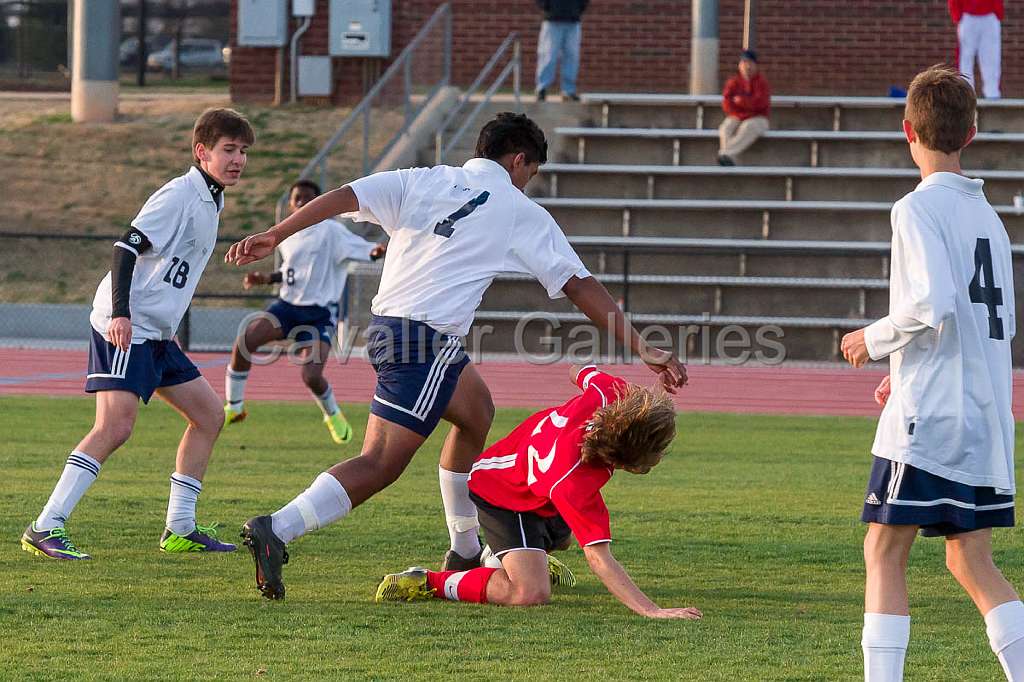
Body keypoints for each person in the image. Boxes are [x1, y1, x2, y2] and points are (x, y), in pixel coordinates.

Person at [225, 112, 688, 600]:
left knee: (476, 412)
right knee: (380, 462)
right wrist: (642, 346)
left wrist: (276, 233)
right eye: (531, 174)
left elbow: (346, 195)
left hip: (404, 333)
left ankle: (464, 548)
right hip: (419, 340)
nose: (529, 184)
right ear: (518, 161)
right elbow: (578, 284)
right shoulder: (516, 207)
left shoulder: (423, 179)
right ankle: (276, 529)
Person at [839, 66, 1022, 681]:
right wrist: (904, 366)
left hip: (931, 416)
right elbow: (991, 324)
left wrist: (874, 340)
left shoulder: (915, 208)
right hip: (986, 413)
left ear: (907, 130)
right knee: (971, 559)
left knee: (884, 548)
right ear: (970, 132)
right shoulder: (990, 218)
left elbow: (930, 306)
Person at [21, 108, 255, 560]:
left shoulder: (211, 197)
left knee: (209, 415)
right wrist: (122, 315)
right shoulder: (180, 194)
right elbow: (126, 248)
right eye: (228, 149)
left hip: (158, 334)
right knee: (114, 427)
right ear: (201, 151)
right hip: (127, 327)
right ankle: (46, 524)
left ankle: (180, 528)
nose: (238, 159)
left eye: (243, 151)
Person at [374, 365, 702, 620]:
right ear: (627, 454)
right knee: (529, 593)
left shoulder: (610, 394)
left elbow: (578, 369)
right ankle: (432, 581)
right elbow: (599, 559)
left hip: (536, 489)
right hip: (501, 494)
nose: (660, 457)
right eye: (656, 451)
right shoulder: (573, 481)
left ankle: (513, 556)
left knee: (561, 538)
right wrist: (651, 610)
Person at [224, 179, 385, 444]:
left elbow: (365, 250)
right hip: (287, 308)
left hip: (318, 314)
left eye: (308, 198)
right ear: (290, 203)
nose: (302, 203)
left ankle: (332, 414)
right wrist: (265, 279)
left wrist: (376, 252)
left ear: (318, 202)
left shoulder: (331, 232)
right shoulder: (288, 235)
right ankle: (234, 406)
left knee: (311, 375)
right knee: (245, 342)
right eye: (297, 198)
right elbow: (293, 272)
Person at [717, 50, 771, 166]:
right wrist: (744, 106)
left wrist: (742, 101)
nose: (747, 66)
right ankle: (730, 160)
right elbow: (727, 103)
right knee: (725, 128)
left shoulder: (762, 83)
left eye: (750, 63)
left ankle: (725, 154)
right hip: (738, 115)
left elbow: (760, 104)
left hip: (758, 118)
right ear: (739, 65)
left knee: (748, 126)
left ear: (756, 66)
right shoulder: (734, 82)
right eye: (744, 63)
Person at [535, 0, 588, 102]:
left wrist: (577, 9)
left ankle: (568, 91)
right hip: (552, 20)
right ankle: (542, 88)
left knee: (572, 57)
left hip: (573, 21)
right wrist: (547, 6)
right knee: (548, 56)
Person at [950, 0, 1003, 99]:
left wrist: (997, 10)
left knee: (991, 57)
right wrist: (956, 13)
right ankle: (965, 96)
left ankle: (993, 95)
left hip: (990, 15)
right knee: (965, 59)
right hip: (967, 16)